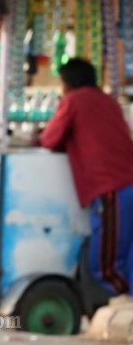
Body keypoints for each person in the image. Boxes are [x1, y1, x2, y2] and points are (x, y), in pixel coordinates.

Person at [38, 57, 133, 301]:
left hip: (111, 185)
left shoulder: (74, 101)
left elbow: (49, 139)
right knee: (126, 255)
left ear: (67, 84)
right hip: (124, 180)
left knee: (105, 263)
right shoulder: (108, 101)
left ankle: (124, 305)